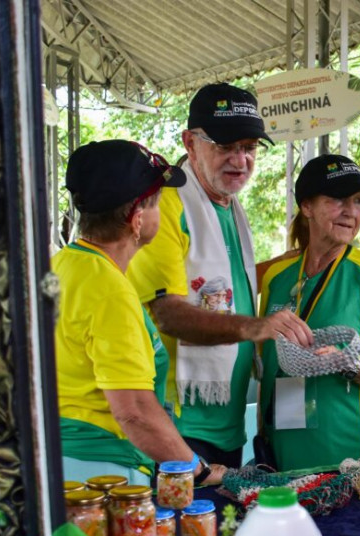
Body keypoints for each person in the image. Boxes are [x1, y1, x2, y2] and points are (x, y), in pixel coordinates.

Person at [128, 83, 313, 469]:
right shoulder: (167, 206)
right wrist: (257, 327)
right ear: (190, 143)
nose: (240, 159)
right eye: (225, 146)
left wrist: (292, 263)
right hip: (180, 424)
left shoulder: (227, 204)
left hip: (226, 422)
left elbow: (227, 288)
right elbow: (168, 314)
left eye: (248, 147)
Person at [55, 139, 223, 486]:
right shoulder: (108, 290)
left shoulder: (61, 266)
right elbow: (134, 412)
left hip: (57, 462)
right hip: (103, 475)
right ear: (137, 218)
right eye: (159, 203)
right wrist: (198, 470)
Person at [256, 155, 360, 470]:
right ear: (306, 207)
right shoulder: (277, 277)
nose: (350, 212)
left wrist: (349, 364)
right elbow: (267, 365)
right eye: (337, 199)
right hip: (283, 458)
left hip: (352, 461)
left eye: (357, 201)